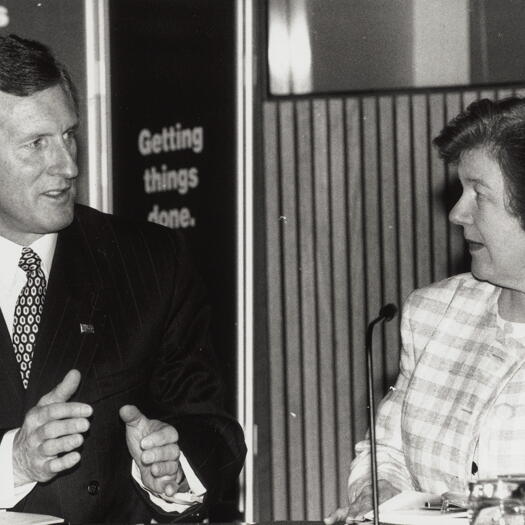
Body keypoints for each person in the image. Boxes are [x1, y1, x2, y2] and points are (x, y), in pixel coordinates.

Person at [0, 33, 246, 523]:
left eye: (69, 135)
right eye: (37, 144)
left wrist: (173, 468)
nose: (68, 166)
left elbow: (211, 428)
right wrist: (14, 462)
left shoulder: (148, 262)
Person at [326, 96, 525, 523]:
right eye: (460, 190)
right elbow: (388, 450)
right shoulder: (433, 315)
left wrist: (447, 508)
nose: (456, 212)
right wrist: (381, 495)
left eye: (479, 193)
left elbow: (467, 504)